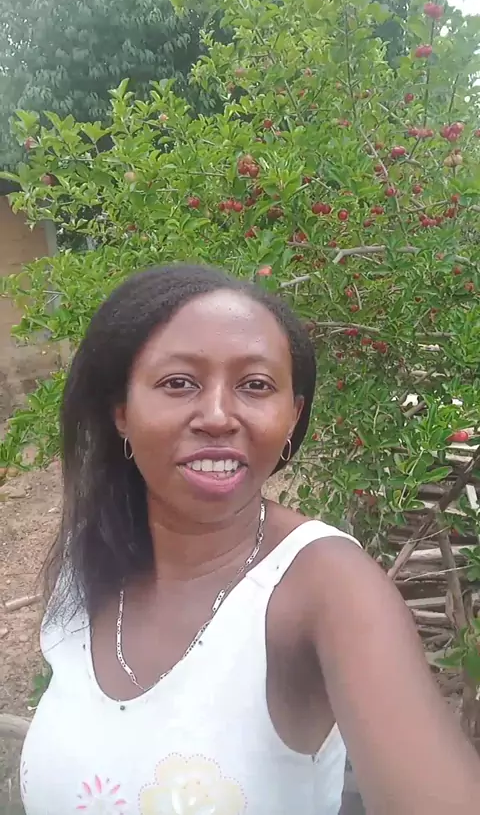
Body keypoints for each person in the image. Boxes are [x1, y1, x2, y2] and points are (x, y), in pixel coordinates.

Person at [21, 263, 479, 815]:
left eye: (256, 385)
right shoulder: (87, 565)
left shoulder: (327, 587)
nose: (218, 416)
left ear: (292, 416)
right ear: (122, 411)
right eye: (178, 383)